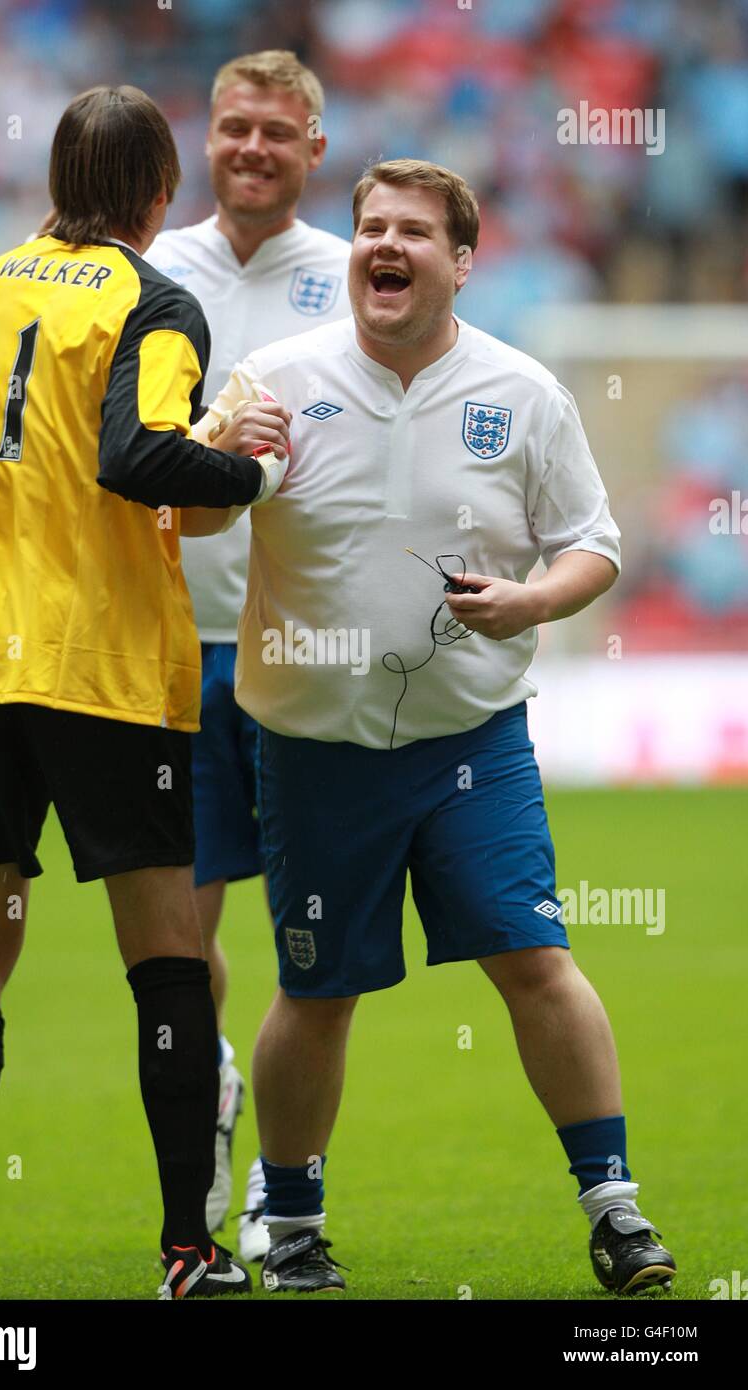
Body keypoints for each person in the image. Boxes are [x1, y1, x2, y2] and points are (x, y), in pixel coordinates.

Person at [191, 158, 678, 1296]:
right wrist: (219, 447)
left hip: (472, 743)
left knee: (533, 959)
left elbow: (592, 543)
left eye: (413, 230)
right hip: (311, 752)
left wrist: (530, 601)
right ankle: (297, 1224)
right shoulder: (275, 379)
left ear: (462, 261)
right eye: (369, 228)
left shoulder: (522, 392)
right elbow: (197, 513)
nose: (383, 245)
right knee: (315, 991)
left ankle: (613, 1209)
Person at [0, 51, 351, 1260]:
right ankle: (189, 1243)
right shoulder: (155, 291)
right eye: (226, 133)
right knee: (173, 953)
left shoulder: (7, 274)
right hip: (110, 661)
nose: (248, 150)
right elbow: (135, 458)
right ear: (167, 181)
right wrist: (245, 461)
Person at [146, 49, 350, 1255]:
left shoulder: (359, 272)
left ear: (312, 148)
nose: (254, 148)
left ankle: (287, 1188)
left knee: (310, 935)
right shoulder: (149, 266)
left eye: (278, 132)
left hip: (303, 649)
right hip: (167, 647)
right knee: (179, 927)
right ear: (204, 139)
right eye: (234, 128)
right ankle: (215, 1073)